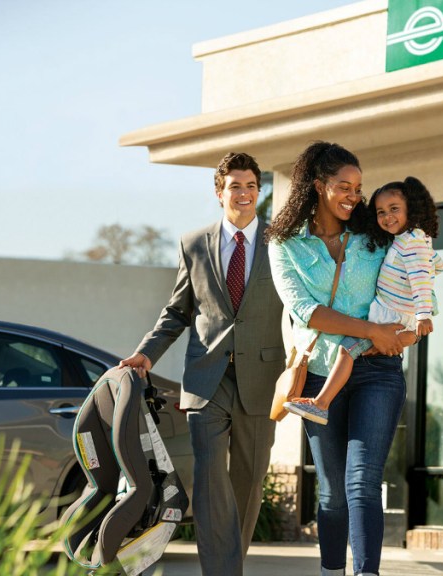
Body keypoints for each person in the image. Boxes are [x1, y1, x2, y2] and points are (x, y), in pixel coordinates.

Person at [119, 152, 285, 576]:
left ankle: (231, 566)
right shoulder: (193, 243)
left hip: (262, 379)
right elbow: (177, 312)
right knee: (210, 479)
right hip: (206, 380)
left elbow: (301, 306)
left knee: (248, 484)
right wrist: (146, 352)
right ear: (219, 192)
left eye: (251, 185)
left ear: (258, 190)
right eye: (235, 186)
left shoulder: (281, 242)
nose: (244, 194)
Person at [266, 141, 415, 576]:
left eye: (359, 187)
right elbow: (305, 310)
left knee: (363, 482)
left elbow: (407, 275)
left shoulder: (373, 233)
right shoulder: (285, 244)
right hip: (318, 377)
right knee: (331, 492)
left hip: (377, 370)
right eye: (344, 187)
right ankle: (331, 571)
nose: (355, 195)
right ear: (317, 185)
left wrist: (411, 323)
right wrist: (371, 328)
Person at [284, 176, 443, 425]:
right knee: (354, 349)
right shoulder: (406, 239)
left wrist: (423, 315)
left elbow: (422, 278)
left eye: (394, 209)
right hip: (393, 315)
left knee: (346, 349)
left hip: (390, 316)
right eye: (381, 212)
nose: (387, 217)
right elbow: (432, 265)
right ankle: (322, 403)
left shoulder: (412, 242)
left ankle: (321, 403)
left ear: (410, 210)